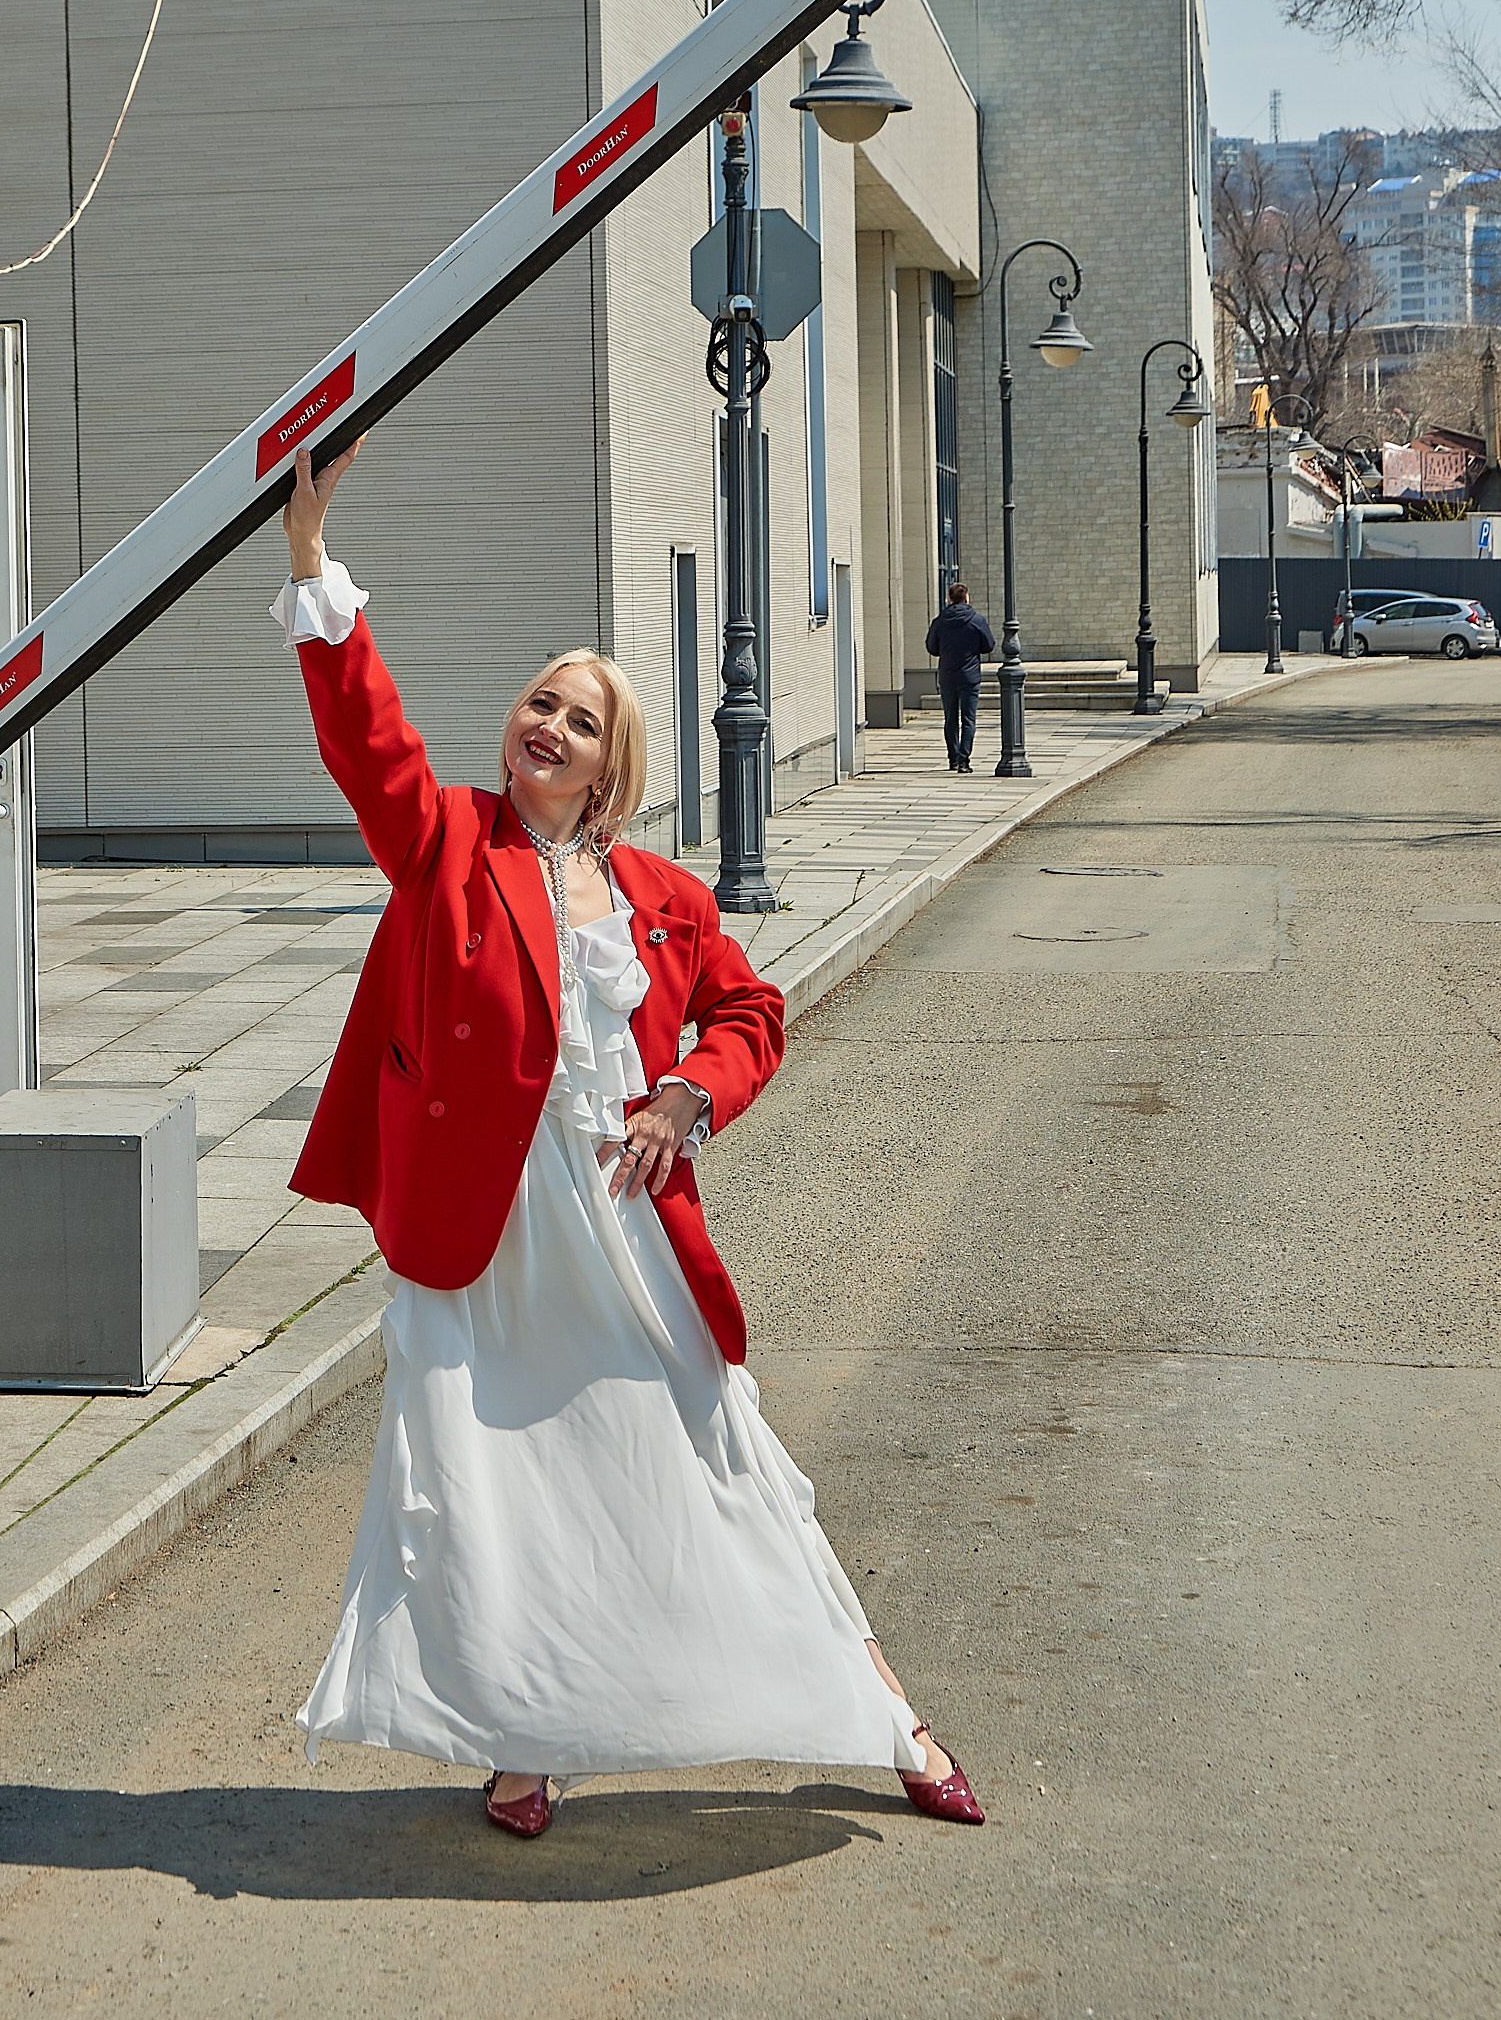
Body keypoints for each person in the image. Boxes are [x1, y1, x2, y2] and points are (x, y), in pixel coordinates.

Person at [273, 438, 983, 1838]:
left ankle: (882, 1712)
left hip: (625, 1219)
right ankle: (525, 1740)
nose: (545, 724)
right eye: (537, 702)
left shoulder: (661, 892)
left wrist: (686, 1095)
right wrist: (311, 566)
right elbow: (369, 740)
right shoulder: (445, 847)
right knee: (504, 1493)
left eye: (577, 718)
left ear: (610, 766)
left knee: (721, 1467)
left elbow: (750, 1011)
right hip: (487, 1234)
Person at [925, 580, 996, 772]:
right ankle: (964, 759)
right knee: (968, 719)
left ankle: (953, 758)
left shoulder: (940, 621)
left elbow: (932, 647)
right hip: (970, 676)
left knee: (950, 718)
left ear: (949, 599)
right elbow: (989, 645)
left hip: (947, 676)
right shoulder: (977, 620)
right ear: (966, 597)